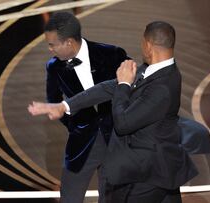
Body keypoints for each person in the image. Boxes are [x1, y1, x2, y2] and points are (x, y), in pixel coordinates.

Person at [29, 21, 198, 202]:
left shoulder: (163, 87)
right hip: (156, 169)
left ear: (148, 45)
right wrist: (65, 106)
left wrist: (124, 84)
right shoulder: (151, 69)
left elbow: (123, 123)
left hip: (151, 174)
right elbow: (108, 88)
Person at [42, 12, 128, 203]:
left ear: (69, 42)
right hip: (81, 143)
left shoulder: (112, 54)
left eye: (52, 44)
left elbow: (131, 89)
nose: (50, 49)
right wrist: (75, 124)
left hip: (116, 139)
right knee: (70, 198)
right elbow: (54, 100)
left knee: (113, 198)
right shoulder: (53, 67)